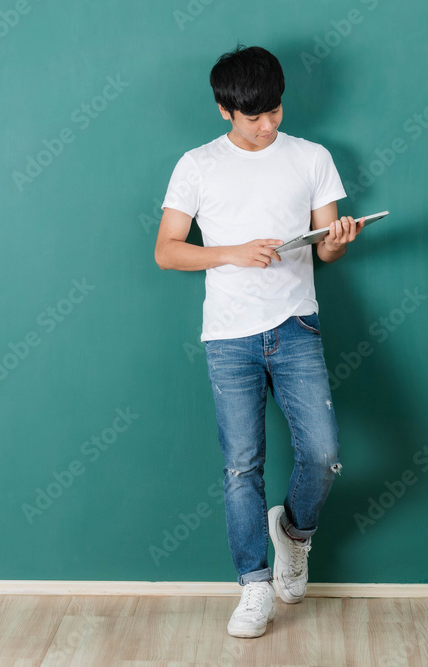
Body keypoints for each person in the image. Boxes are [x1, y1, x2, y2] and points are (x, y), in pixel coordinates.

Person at [154, 44, 364, 638]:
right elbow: (167, 250)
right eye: (254, 116)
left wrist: (337, 241)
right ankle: (253, 585)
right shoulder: (197, 165)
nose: (268, 124)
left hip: (296, 325)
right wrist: (233, 253)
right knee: (242, 466)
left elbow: (326, 249)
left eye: (275, 110)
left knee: (323, 454)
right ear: (225, 110)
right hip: (229, 336)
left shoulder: (312, 157)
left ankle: (293, 534)